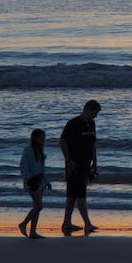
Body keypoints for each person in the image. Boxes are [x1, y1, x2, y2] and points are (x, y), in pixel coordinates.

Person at [59, 99, 100, 235]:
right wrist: (69, 160)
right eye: (94, 113)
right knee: (79, 195)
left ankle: (66, 222)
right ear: (87, 109)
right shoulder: (73, 123)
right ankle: (87, 223)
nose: (95, 116)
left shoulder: (92, 124)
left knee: (73, 195)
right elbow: (63, 141)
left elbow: (93, 144)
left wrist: (95, 162)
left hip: (86, 164)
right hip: (74, 165)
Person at [18, 128, 49, 239]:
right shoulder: (29, 150)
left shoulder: (40, 151)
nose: (43, 140)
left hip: (39, 182)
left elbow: (42, 169)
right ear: (35, 138)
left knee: (37, 206)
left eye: (44, 138)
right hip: (31, 182)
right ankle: (23, 224)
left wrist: (46, 181)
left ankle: (33, 232)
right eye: (41, 138)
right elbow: (23, 166)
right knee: (39, 206)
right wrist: (29, 178)